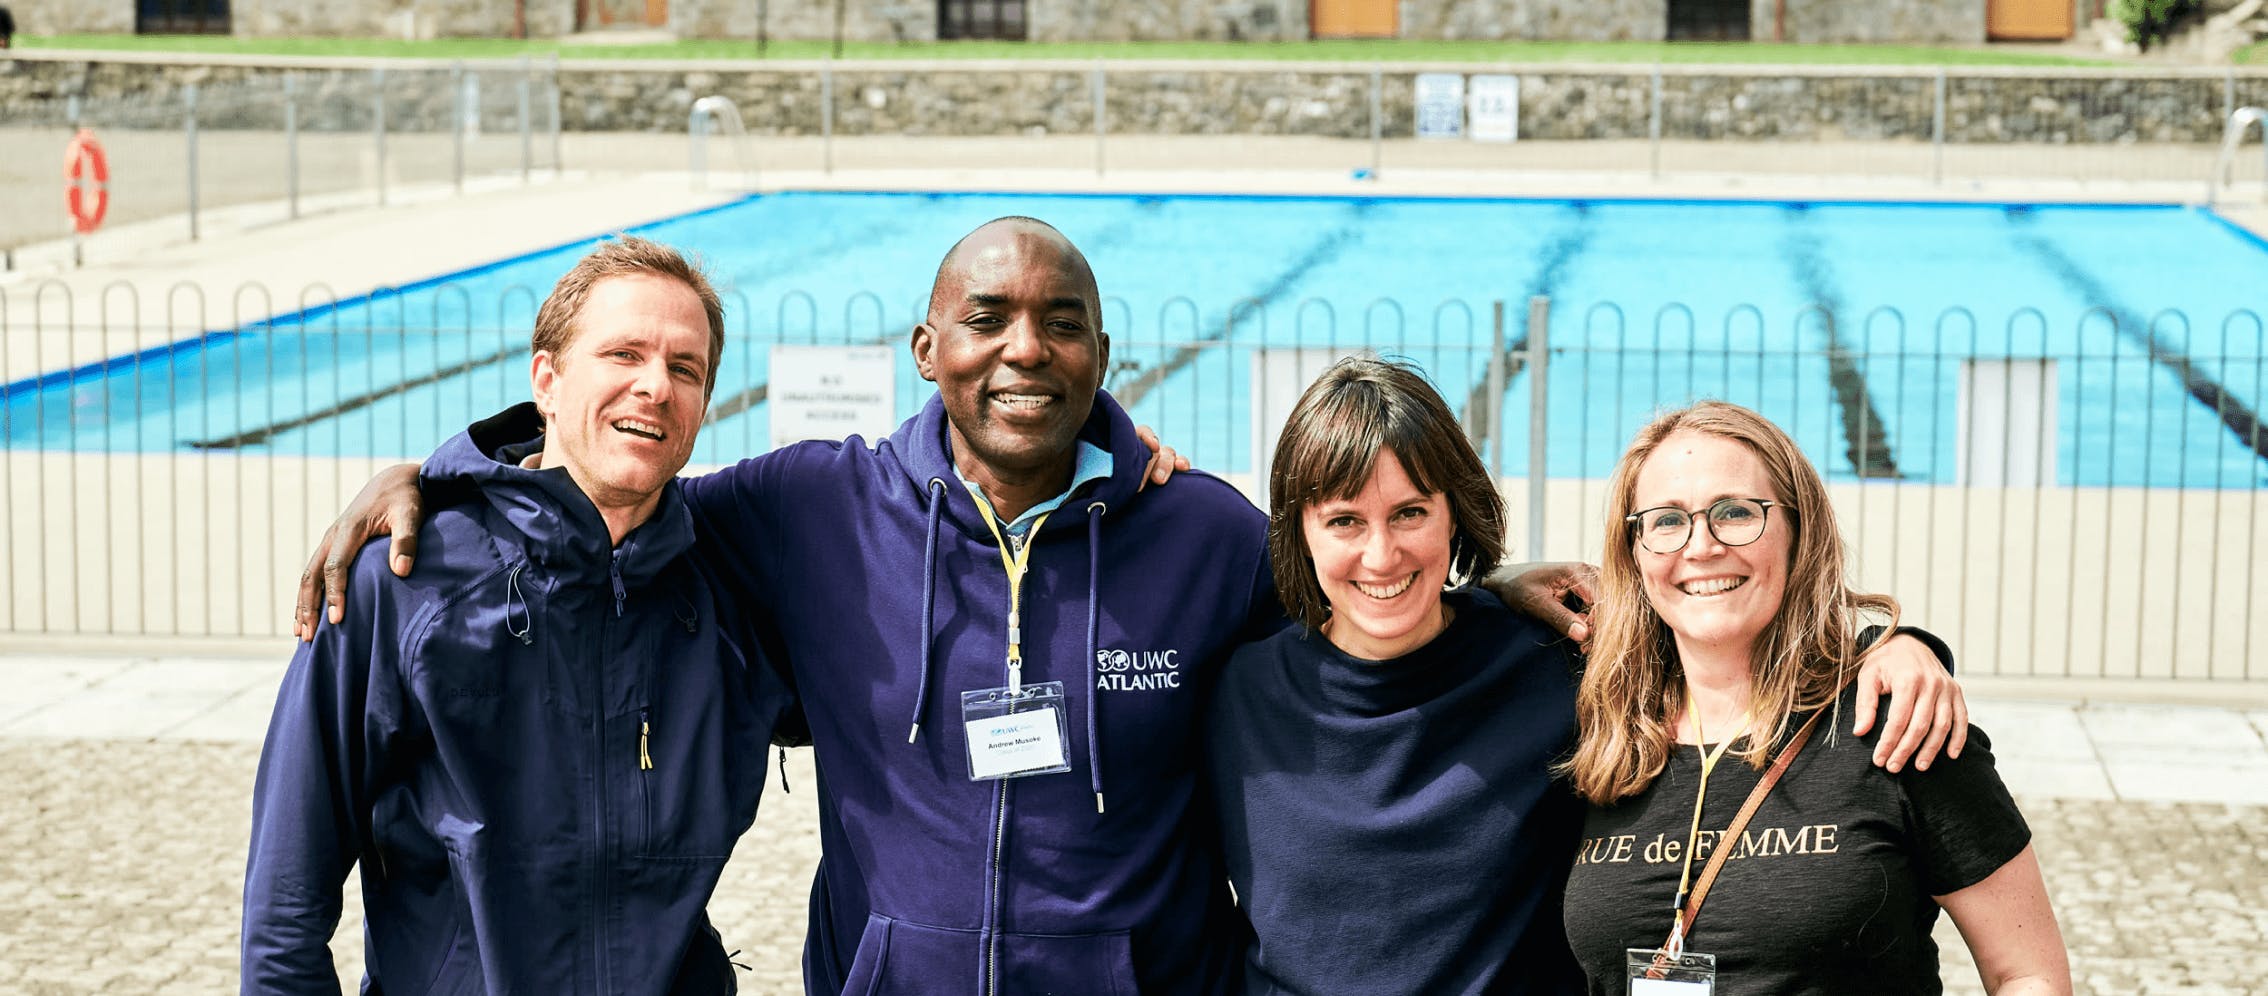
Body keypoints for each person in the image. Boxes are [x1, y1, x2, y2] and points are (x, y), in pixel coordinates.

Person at [291, 219, 1967, 995]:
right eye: (988, 317)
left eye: (1062, 319)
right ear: (926, 348)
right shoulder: (801, 511)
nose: (1024, 346)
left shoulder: (1206, 532)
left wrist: (1885, 641)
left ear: (1103, 351)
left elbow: (1367, 608)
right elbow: (605, 495)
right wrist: (443, 468)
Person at [1208, 361, 1960, 996]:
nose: (1381, 555)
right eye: (1344, 521)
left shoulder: (1559, 662)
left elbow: (1733, 639)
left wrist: (1887, 649)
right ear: (1299, 531)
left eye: (1410, 513)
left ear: (1454, 513)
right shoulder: (1236, 691)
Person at [241, 236, 792, 994]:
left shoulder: (732, 591)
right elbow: (285, 900)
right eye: (623, 354)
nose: (656, 387)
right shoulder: (402, 580)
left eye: (685, 368)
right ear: (548, 380)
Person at [1559, 401, 2070, 995]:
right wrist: (1504, 580)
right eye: (1667, 520)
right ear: (1634, 551)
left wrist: (1900, 644)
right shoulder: (1601, 730)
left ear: (1799, 531)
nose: (1701, 546)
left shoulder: (1896, 720)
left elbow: (2027, 971)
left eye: (1735, 512)